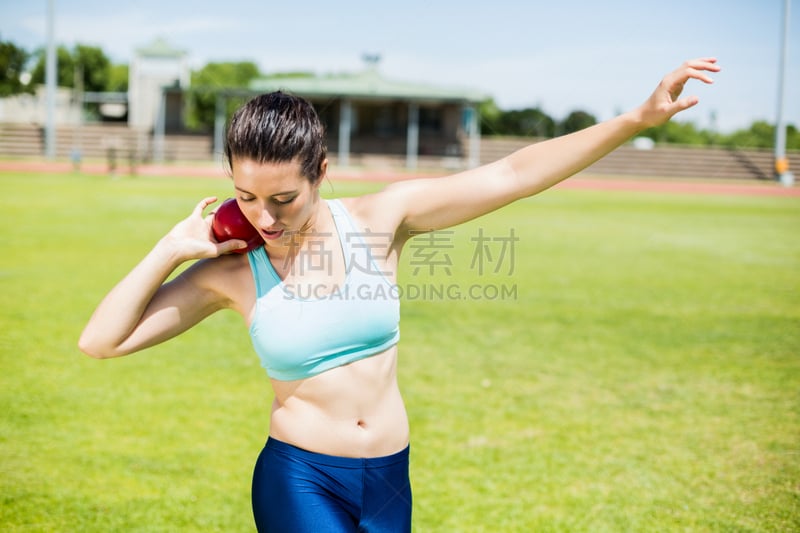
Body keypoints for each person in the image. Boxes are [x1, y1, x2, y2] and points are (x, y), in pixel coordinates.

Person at [79, 57, 720, 531]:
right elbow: (101, 342)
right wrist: (170, 247)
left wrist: (636, 119)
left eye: (284, 199)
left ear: (321, 174)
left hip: (389, 477)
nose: (265, 219)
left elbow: (515, 172)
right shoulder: (231, 270)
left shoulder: (383, 219)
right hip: (300, 478)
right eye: (246, 198)